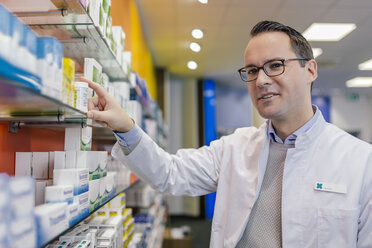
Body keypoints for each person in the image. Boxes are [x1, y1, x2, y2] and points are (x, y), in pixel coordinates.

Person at [82, 21, 372, 248]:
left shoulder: (361, 162)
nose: (261, 80)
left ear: (310, 70)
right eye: (252, 70)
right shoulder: (236, 147)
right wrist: (125, 127)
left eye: (275, 66)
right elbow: (170, 173)